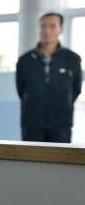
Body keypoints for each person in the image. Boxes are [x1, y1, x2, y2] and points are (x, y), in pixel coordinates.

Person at [16, 12, 82, 143]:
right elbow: (21, 90)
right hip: (32, 125)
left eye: (52, 26)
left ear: (60, 29)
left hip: (61, 125)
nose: (47, 30)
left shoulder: (72, 59)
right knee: (30, 162)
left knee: (61, 162)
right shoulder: (25, 60)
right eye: (43, 26)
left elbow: (76, 89)